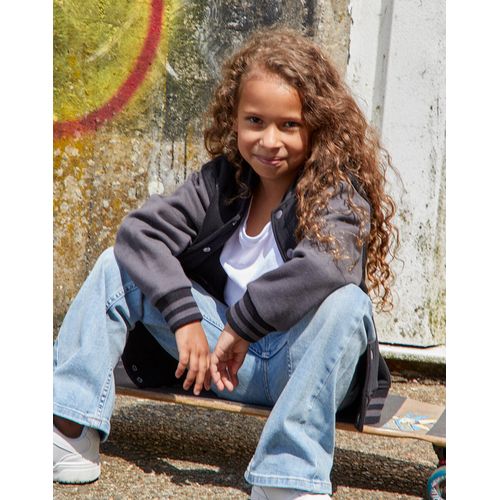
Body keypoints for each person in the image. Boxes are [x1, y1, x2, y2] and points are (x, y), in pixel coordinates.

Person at [53, 28, 398, 498]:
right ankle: (68, 430)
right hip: (220, 363)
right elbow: (140, 233)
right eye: (255, 121)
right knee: (117, 266)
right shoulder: (220, 183)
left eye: (289, 125)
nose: (270, 140)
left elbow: (327, 267)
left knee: (349, 303)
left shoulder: (338, 196)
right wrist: (185, 318)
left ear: (318, 126)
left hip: (302, 371)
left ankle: (288, 475)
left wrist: (244, 323)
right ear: (233, 120)